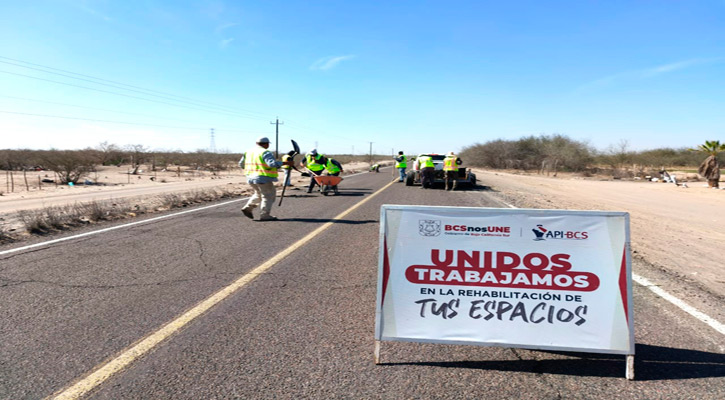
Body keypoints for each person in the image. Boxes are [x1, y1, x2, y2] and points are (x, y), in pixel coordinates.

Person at [238, 137, 292, 221]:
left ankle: (248, 208)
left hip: (250, 177)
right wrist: (286, 163)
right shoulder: (265, 152)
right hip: (262, 178)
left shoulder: (248, 152)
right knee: (268, 196)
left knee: (258, 194)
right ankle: (265, 215)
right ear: (266, 144)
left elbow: (241, 164)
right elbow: (272, 164)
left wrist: (252, 168)